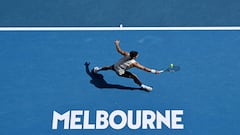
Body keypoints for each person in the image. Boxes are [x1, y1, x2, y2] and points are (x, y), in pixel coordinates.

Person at [93, 40, 163, 91]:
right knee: (134, 76)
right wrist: (154, 71)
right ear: (135, 57)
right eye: (137, 55)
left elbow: (119, 50)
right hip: (120, 71)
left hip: (116, 66)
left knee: (109, 67)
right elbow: (144, 68)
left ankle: (97, 69)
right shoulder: (134, 63)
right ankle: (143, 86)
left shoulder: (127, 54)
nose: (138, 55)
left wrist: (117, 44)